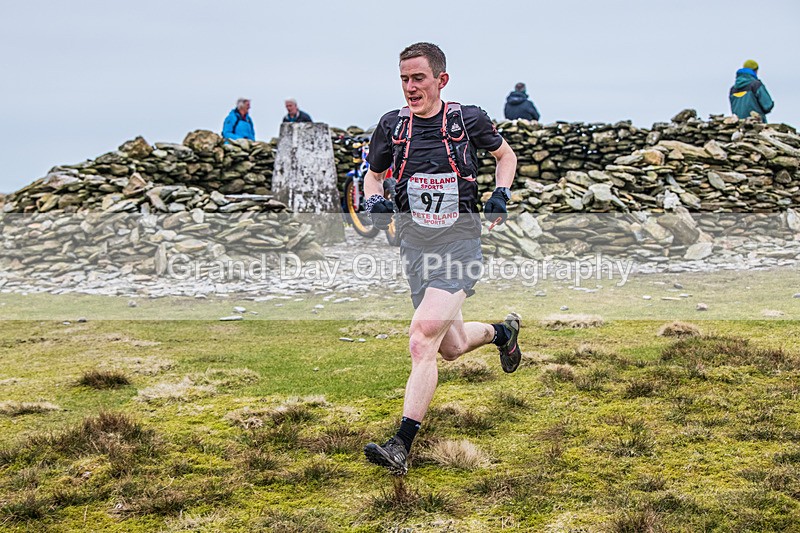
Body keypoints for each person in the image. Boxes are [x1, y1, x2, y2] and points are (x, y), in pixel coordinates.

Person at [362, 42, 522, 476]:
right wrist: (374, 201)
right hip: (415, 247)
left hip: (460, 244)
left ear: (441, 80)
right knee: (448, 347)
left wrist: (501, 194)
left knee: (421, 338)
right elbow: (372, 176)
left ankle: (401, 444)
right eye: (404, 79)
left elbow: (504, 156)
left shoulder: (466, 119)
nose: (410, 87)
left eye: (419, 78)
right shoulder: (392, 126)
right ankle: (502, 333)